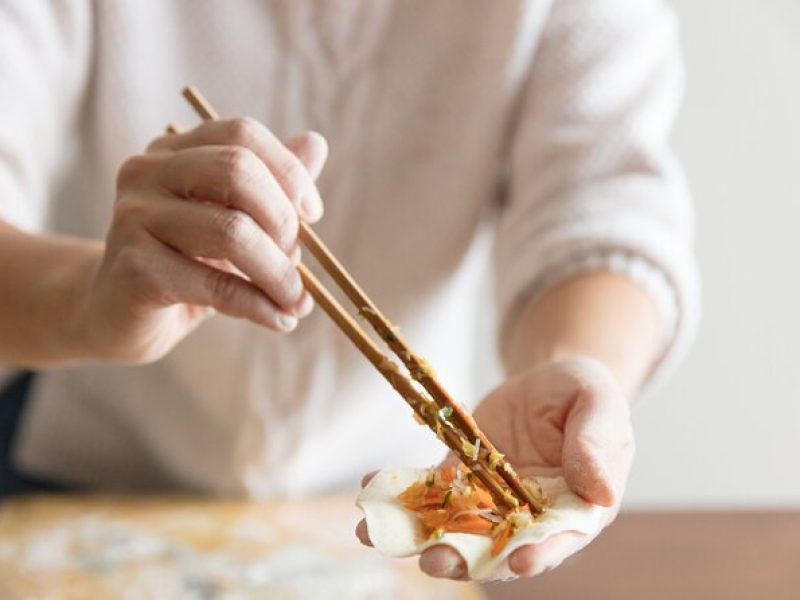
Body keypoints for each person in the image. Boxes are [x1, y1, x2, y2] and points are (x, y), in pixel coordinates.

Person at [0, 0, 698, 581]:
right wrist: (87, 300)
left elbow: (602, 201)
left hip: (401, 509)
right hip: (81, 485)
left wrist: (570, 365)